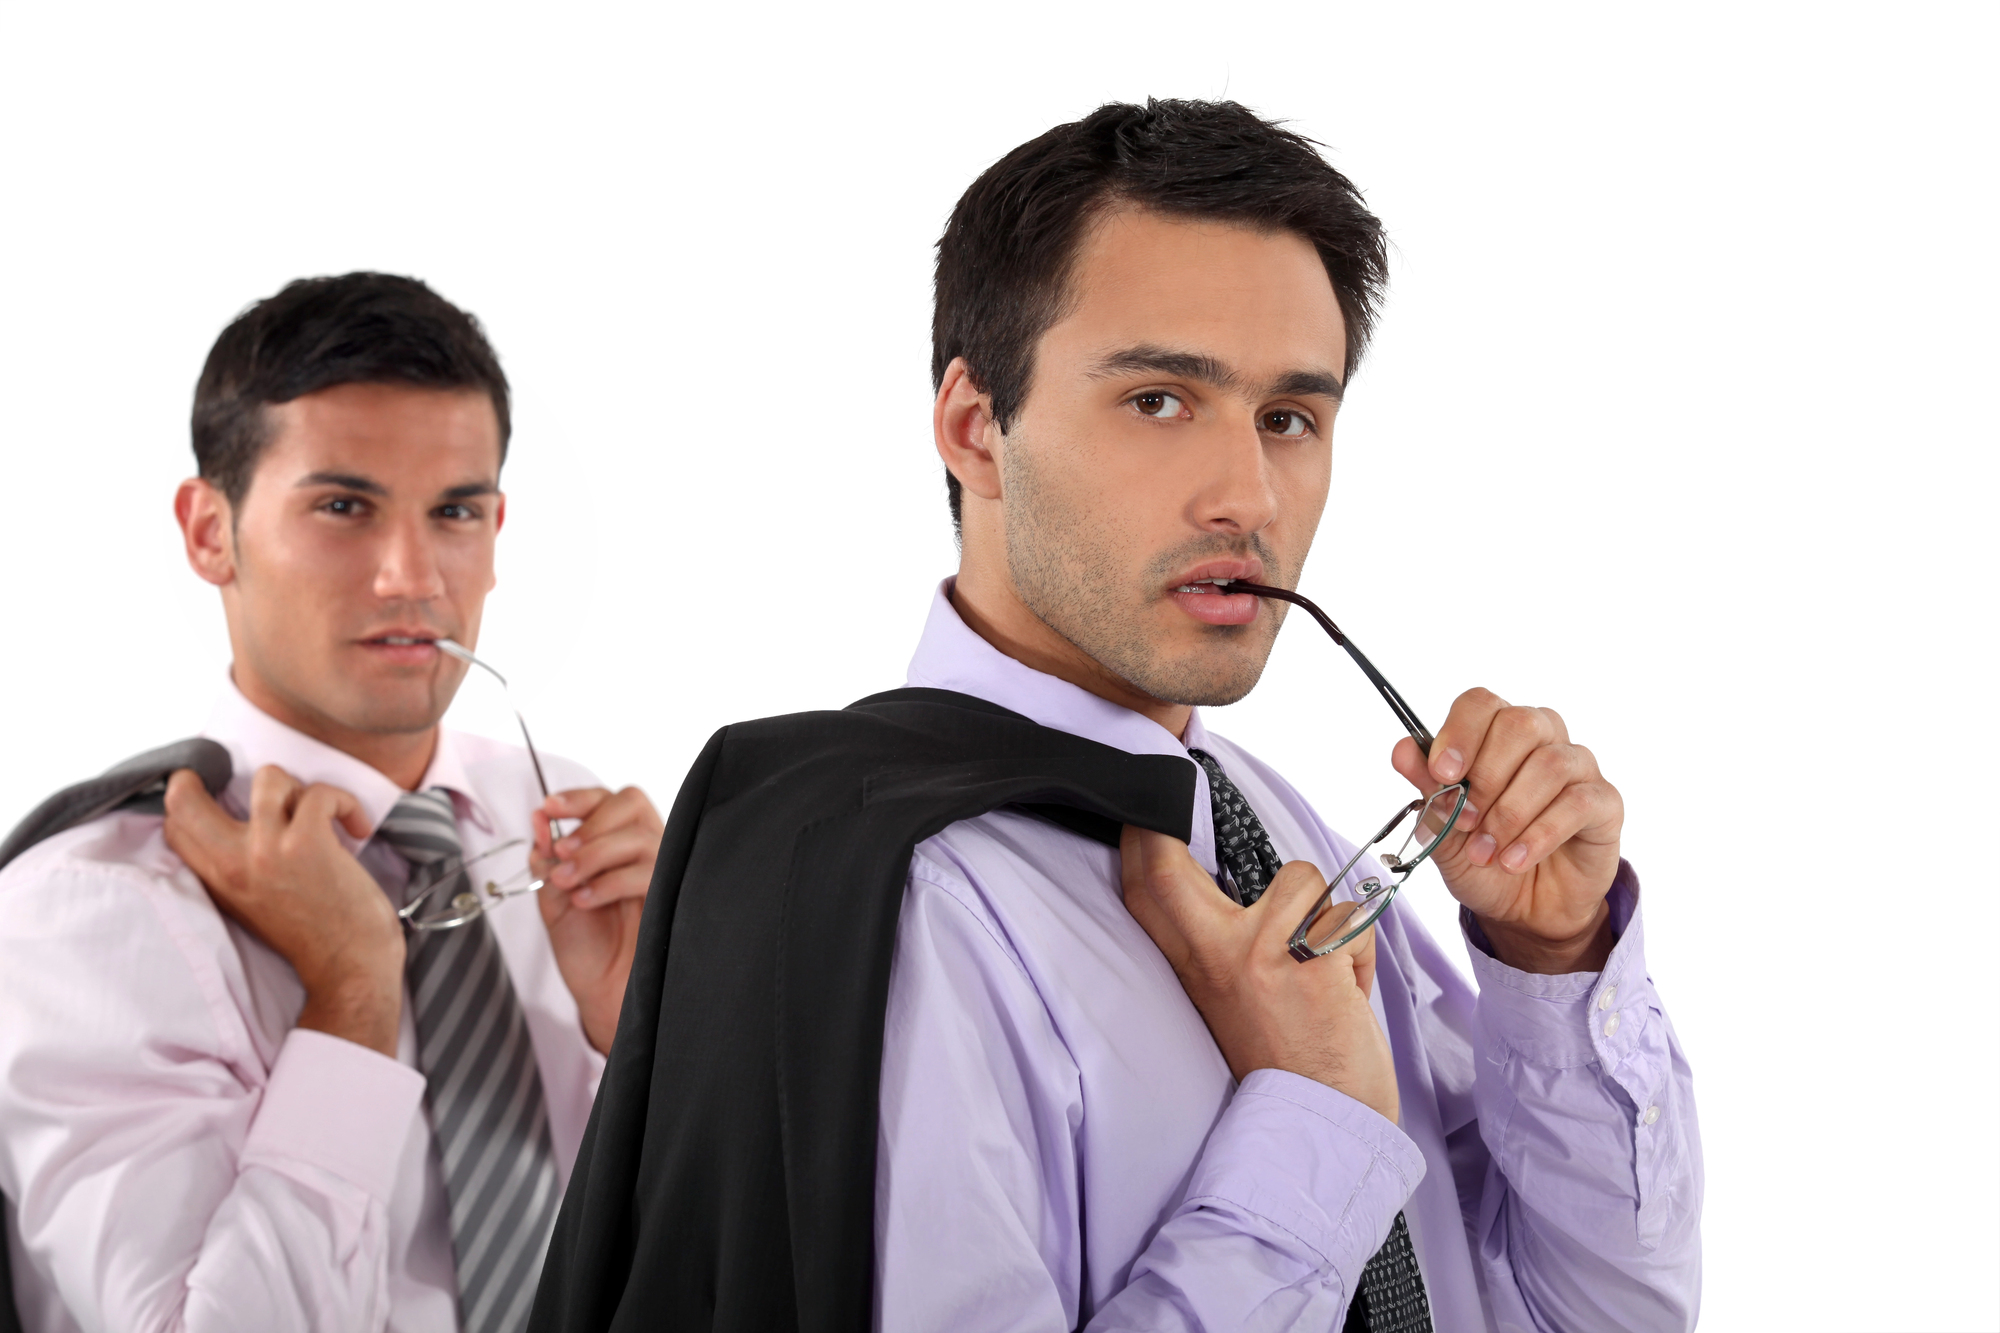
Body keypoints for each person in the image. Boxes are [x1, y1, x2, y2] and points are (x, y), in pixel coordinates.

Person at [535, 100, 1702, 1333]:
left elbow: (1596, 1317)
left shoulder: (1267, 818)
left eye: (1288, 419)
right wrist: (1312, 1117)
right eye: (1158, 400)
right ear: (974, 427)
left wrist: (1550, 964)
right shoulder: (889, 895)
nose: (1246, 497)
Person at [0, 273, 666, 1333]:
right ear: (209, 531)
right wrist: (352, 996)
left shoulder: (568, 837)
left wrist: (646, 1043)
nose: (411, 576)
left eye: (454, 512)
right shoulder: (86, 912)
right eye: (343, 506)